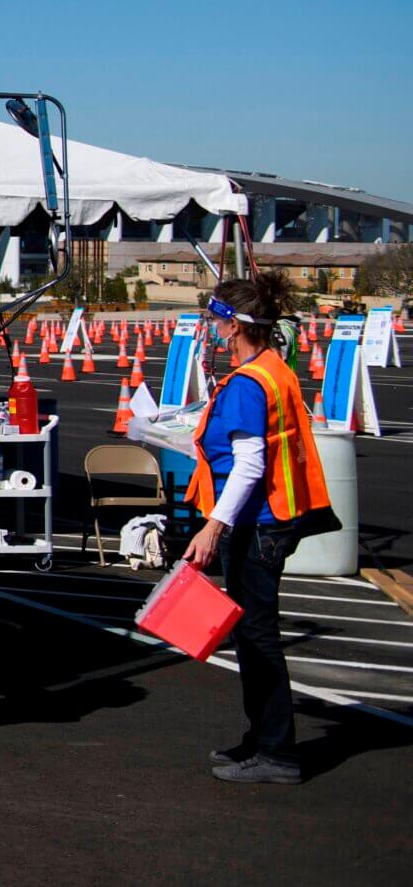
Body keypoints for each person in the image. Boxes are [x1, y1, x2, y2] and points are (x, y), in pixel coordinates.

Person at [181, 270, 340, 785]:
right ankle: (263, 739)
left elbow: (249, 463)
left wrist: (213, 526)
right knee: (252, 634)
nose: (211, 329)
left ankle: (276, 751)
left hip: (259, 524)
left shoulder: (249, 383)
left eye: (216, 320)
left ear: (233, 326)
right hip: (274, 519)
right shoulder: (274, 368)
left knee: (257, 637)